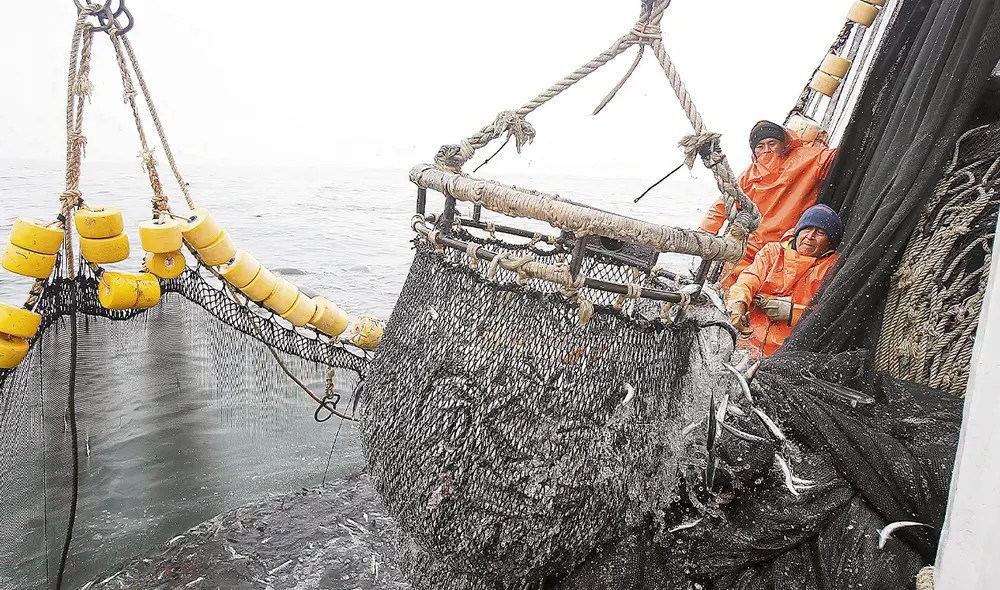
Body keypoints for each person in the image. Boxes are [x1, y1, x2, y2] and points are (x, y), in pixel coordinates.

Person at [700, 120, 838, 286]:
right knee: (730, 288)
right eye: (760, 145)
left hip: (788, 247)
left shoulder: (807, 157)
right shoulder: (749, 174)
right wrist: (703, 237)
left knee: (770, 292)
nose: (767, 149)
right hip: (750, 247)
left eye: (772, 143)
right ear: (754, 150)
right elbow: (722, 205)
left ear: (783, 144)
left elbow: (839, 155)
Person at [725, 204, 843, 357]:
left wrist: (791, 313)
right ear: (798, 231)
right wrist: (738, 304)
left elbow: (832, 314)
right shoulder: (772, 252)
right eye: (807, 229)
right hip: (747, 343)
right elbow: (748, 280)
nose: (810, 236)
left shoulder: (833, 268)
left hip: (791, 352)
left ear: (830, 242)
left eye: (820, 232)